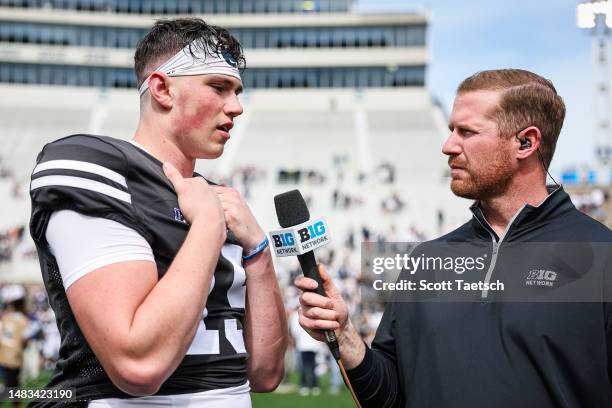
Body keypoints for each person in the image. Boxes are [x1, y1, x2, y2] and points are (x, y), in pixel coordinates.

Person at [295, 69, 612, 407]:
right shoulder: (426, 261)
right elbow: (388, 398)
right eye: (451, 131)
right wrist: (345, 336)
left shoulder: (601, 257)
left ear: (526, 142)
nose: (448, 146)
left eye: (467, 132)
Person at [29, 18, 287, 407]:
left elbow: (265, 374)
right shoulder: (100, 167)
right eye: (218, 88)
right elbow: (139, 365)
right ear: (162, 89)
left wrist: (258, 251)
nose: (236, 107)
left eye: (236, 91)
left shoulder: (219, 201)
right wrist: (206, 226)